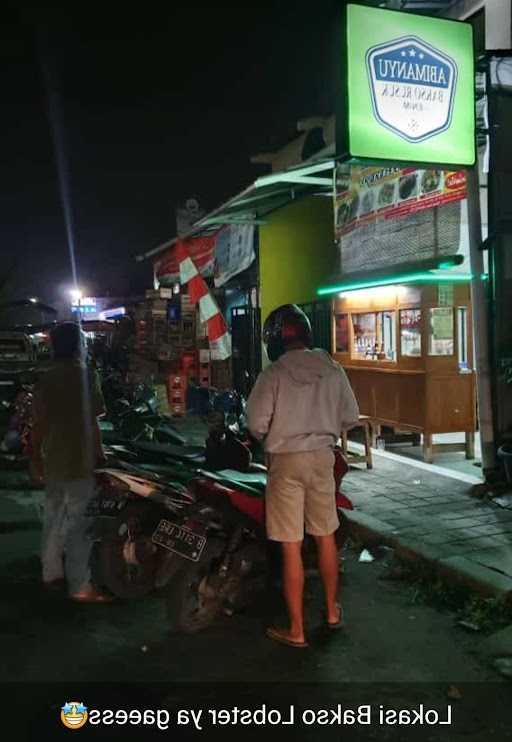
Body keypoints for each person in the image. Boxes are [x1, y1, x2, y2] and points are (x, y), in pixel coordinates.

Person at [247, 304, 359, 648]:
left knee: (291, 546)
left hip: (285, 462)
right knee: (326, 537)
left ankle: (296, 630)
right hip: (322, 458)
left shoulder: (273, 374)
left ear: (275, 341)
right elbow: (350, 416)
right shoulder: (332, 369)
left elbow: (255, 423)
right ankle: (331, 612)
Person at [31, 321, 112, 602]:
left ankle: (50, 573)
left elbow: (38, 425)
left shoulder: (45, 378)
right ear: (79, 345)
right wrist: (101, 455)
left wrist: (35, 459)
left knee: (54, 519)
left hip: (53, 456)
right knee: (80, 524)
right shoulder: (87, 375)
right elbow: (94, 422)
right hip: (79, 457)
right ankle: (80, 586)